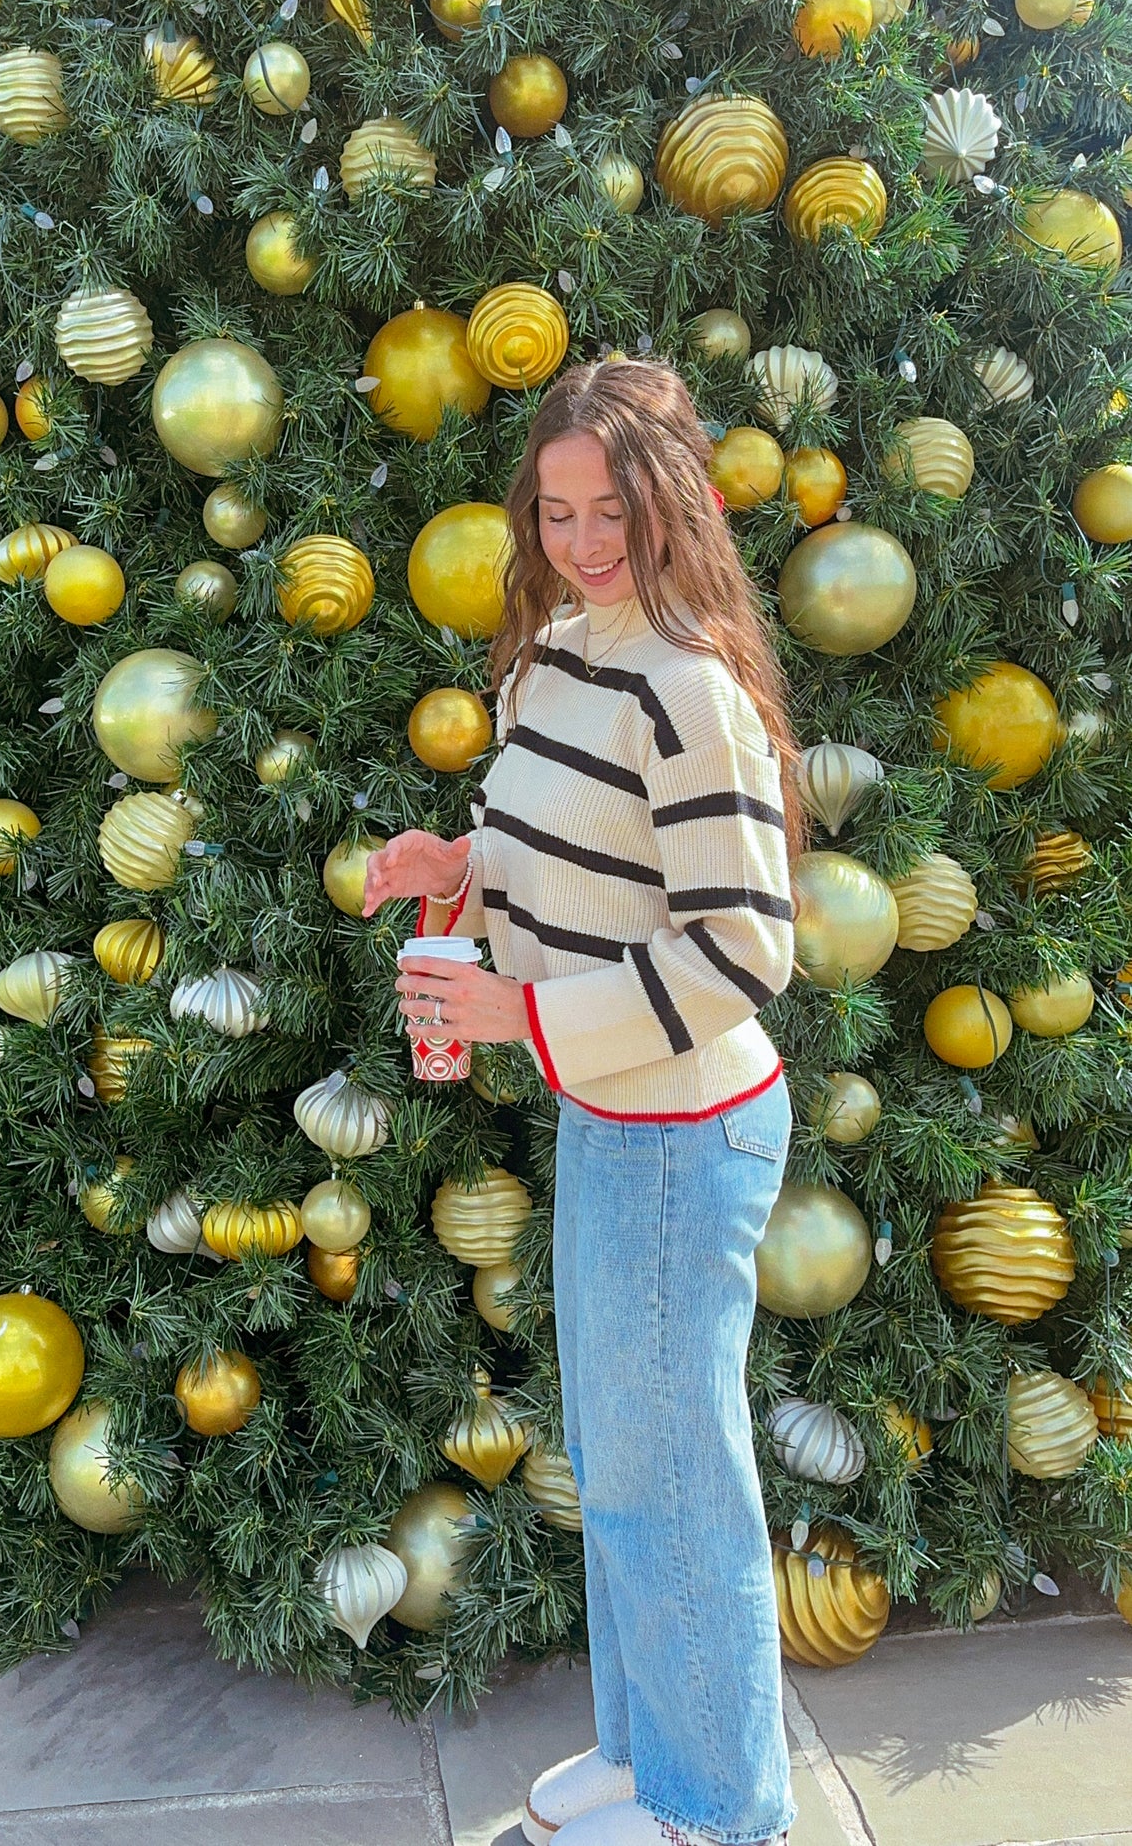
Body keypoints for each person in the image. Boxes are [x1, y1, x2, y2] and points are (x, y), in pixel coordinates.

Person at [362, 356, 806, 1846]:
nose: (580, 542)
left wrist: (522, 1013)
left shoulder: (688, 690)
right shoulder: (552, 654)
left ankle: (718, 1813)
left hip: (687, 1130)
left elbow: (744, 949)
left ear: (667, 503)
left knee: (677, 1474)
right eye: (554, 513)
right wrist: (453, 865)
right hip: (616, 1116)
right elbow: (536, 827)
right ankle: (644, 1754)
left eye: (606, 511)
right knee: (625, 1465)